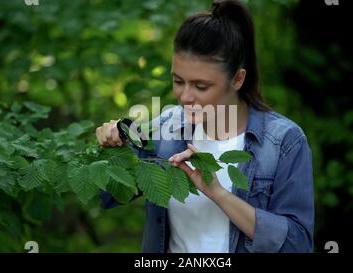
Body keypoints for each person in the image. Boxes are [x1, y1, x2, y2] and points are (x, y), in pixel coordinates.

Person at [95, 0, 314, 253]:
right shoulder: (167, 127)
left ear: (237, 79)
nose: (185, 96)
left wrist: (218, 194)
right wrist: (112, 150)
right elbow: (111, 195)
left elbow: (298, 244)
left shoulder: (284, 141)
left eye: (201, 86)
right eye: (178, 81)